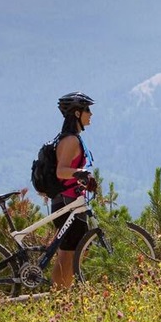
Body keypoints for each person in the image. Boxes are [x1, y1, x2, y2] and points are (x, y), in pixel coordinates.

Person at [50, 91, 98, 289]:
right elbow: (61, 171)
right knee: (69, 253)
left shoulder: (71, 138)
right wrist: (81, 173)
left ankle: (62, 293)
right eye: (87, 110)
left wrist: (82, 178)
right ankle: (59, 295)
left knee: (73, 250)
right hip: (67, 202)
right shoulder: (71, 141)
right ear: (77, 113)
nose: (90, 114)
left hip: (70, 201)